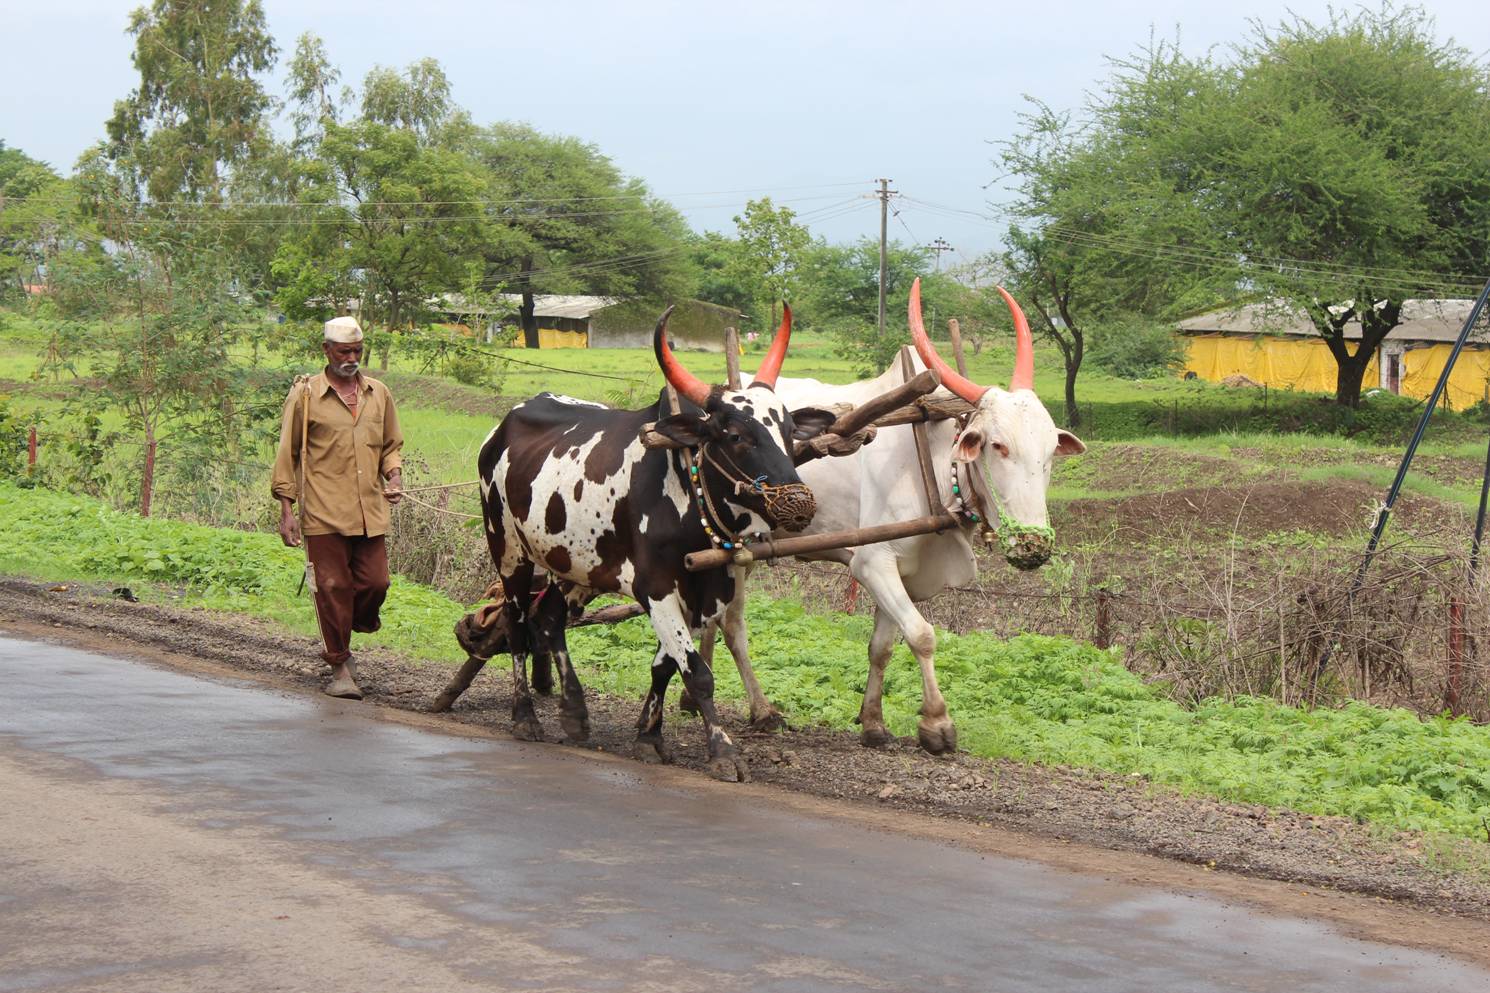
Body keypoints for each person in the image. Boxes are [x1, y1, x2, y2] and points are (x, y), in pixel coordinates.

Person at [271, 316, 404, 699]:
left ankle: (349, 630)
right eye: (344, 351)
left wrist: (393, 477)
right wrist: (286, 510)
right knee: (331, 586)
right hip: (323, 511)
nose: (351, 358)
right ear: (326, 350)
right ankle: (339, 665)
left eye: (357, 351)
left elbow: (391, 445)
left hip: (369, 510)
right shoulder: (306, 396)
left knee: (376, 583)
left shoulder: (379, 393)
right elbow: (288, 453)